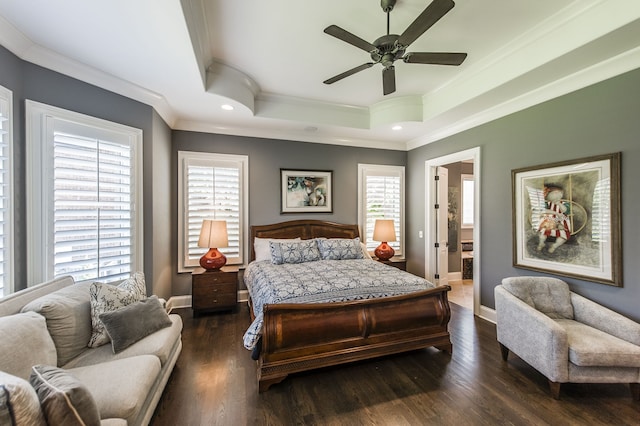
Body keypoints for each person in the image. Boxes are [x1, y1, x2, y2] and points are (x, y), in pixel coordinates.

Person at [537, 184, 571, 253]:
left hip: (562, 220)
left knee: (563, 234)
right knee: (543, 231)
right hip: (550, 220)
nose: (556, 194)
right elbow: (543, 211)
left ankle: (554, 245)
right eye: (554, 193)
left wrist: (559, 204)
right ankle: (541, 243)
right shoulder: (547, 203)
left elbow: (565, 211)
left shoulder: (564, 203)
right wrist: (556, 213)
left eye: (558, 193)